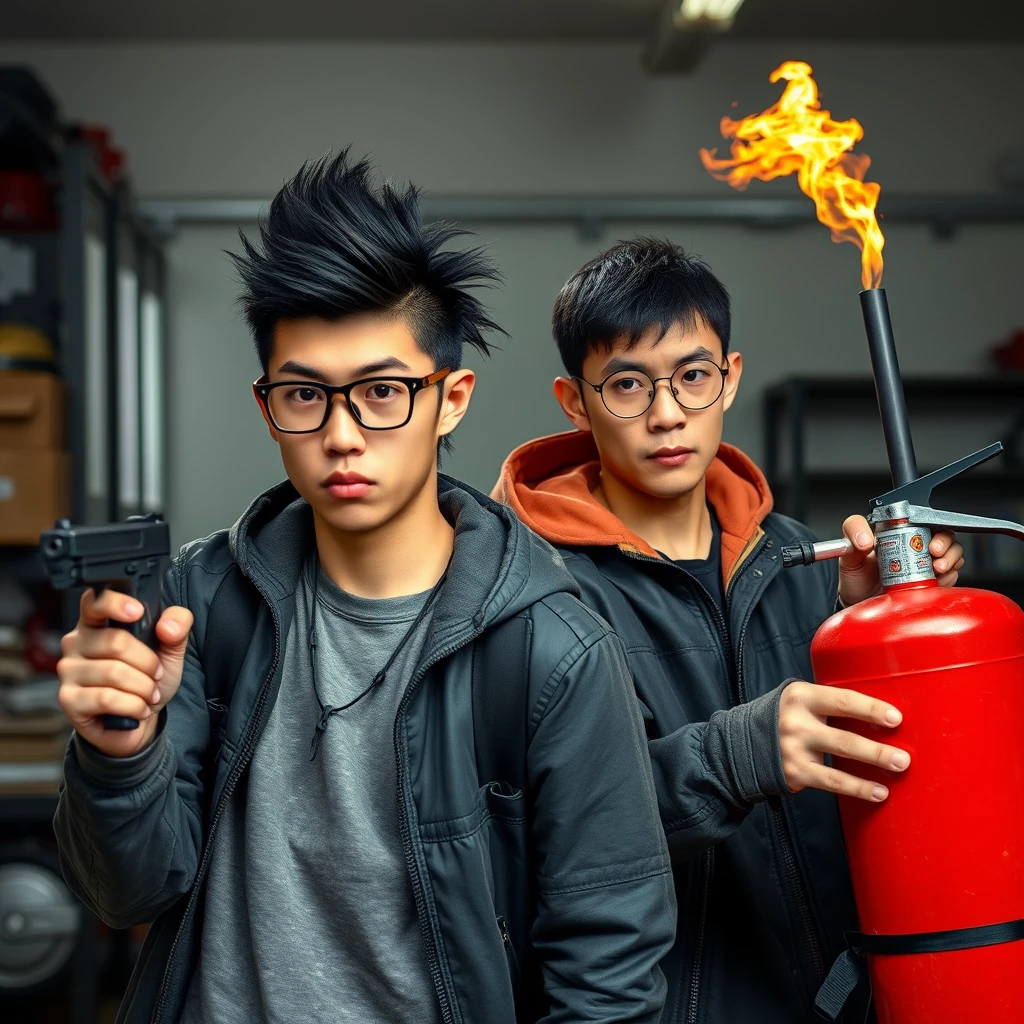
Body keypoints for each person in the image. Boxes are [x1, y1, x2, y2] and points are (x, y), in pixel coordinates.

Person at [52, 156, 677, 1024]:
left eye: (382, 391)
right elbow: (129, 894)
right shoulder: (201, 602)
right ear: (268, 404)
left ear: (451, 399)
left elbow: (607, 967)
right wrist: (117, 755)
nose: (342, 435)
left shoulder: (552, 649)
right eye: (305, 395)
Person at [492, 237, 965, 1024]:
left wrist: (866, 631)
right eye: (627, 385)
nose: (667, 413)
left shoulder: (792, 557)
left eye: (693, 377)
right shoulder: (532, 593)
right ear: (574, 401)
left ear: (730, 379)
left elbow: (889, 782)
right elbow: (540, 833)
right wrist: (736, 755)